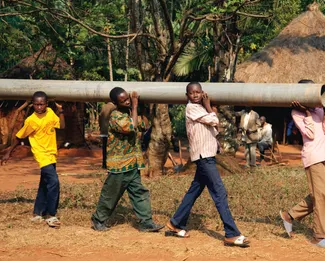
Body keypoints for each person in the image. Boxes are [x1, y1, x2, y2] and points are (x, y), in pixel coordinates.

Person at [166, 82, 250, 248]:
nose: (195, 95)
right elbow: (214, 120)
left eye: (198, 92)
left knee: (194, 190)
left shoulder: (201, 109)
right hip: (204, 157)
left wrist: (209, 110)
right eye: (192, 93)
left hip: (207, 154)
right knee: (219, 192)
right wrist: (208, 106)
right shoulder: (192, 108)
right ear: (187, 96)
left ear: (202, 92)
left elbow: (215, 126)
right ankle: (231, 234)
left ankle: (175, 223)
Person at [91, 87, 164, 233]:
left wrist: (139, 108)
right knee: (111, 194)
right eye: (123, 100)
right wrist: (135, 107)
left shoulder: (131, 113)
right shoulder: (115, 117)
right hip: (119, 165)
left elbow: (144, 125)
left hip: (132, 163)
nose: (127, 102)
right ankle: (98, 220)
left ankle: (146, 223)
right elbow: (132, 127)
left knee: (139, 193)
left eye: (128, 99)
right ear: (115, 102)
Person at [279, 79, 325, 248]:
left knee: (319, 195)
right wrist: (308, 114)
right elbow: (310, 134)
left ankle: (289, 215)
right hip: (313, 157)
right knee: (321, 196)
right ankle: (318, 237)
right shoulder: (297, 112)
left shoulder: (319, 108)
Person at [1, 91, 65, 228]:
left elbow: (62, 125)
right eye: (36, 104)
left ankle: (37, 213)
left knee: (45, 183)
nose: (39, 107)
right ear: (33, 105)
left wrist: (61, 111)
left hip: (51, 153)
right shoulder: (31, 120)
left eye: (42, 104)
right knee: (54, 182)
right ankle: (50, 215)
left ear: (46, 104)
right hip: (41, 154)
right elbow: (20, 137)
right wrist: (8, 152)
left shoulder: (50, 113)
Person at [98, 101, 117, 169]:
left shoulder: (103, 107)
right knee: (112, 147)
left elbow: (99, 118)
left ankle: (104, 164)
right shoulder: (115, 107)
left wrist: (100, 128)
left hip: (103, 131)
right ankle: (111, 164)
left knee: (104, 148)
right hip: (111, 131)